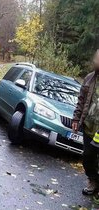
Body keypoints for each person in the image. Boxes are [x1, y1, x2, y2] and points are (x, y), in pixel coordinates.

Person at [72, 49, 99, 195]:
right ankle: (93, 181)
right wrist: (76, 118)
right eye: (96, 56)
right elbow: (81, 101)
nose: (96, 60)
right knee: (88, 158)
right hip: (89, 127)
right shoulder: (89, 78)